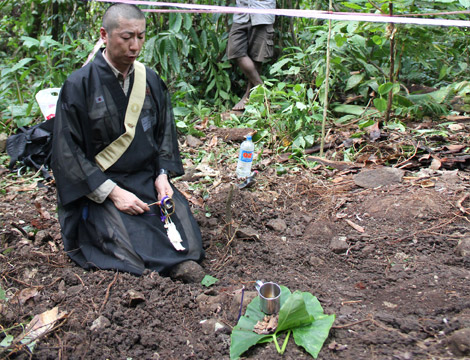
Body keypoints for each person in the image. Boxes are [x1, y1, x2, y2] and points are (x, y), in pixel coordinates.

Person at [51, 4, 205, 282]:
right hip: (100, 184)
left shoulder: (151, 80)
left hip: (146, 178)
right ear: (104, 35)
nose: (135, 46)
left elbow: (164, 133)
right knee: (129, 248)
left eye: (141, 36)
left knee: (189, 240)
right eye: (126, 37)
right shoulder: (78, 85)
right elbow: (67, 153)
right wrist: (113, 193)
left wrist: (162, 176)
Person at [226, 0, 276, 111]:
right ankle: (263, 91)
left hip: (262, 12)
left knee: (257, 57)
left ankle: (248, 96)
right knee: (235, 51)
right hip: (241, 14)